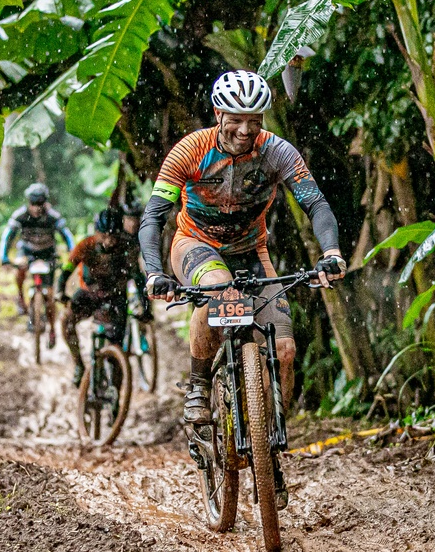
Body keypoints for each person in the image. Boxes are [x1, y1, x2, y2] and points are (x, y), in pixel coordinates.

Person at [138, 70, 345, 500]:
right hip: (196, 245)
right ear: (218, 114)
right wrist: (155, 272)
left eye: (255, 121)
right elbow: (153, 216)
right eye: (236, 120)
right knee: (219, 288)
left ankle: (269, 447)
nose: (245, 130)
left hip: (252, 251)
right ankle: (199, 385)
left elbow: (316, 203)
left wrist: (331, 252)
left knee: (284, 350)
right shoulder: (190, 150)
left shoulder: (277, 151)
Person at [58, 208, 149, 386]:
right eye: (104, 236)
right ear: (96, 233)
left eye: (113, 237)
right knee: (66, 321)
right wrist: (60, 291)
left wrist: (145, 307)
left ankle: (116, 385)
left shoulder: (127, 248)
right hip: (89, 295)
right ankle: (78, 365)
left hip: (115, 298)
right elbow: (67, 269)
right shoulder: (86, 245)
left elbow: (138, 279)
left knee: (116, 346)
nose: (108, 241)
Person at [0, 183, 76, 321]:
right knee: (20, 270)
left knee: (50, 293)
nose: (36, 208)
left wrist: (72, 252)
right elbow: (8, 236)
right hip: (27, 252)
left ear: (45, 203)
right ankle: (20, 297)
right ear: (28, 202)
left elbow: (66, 235)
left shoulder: (53, 216)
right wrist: (4, 257)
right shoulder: (20, 216)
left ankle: (52, 325)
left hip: (48, 253)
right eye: (33, 204)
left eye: (40, 204)